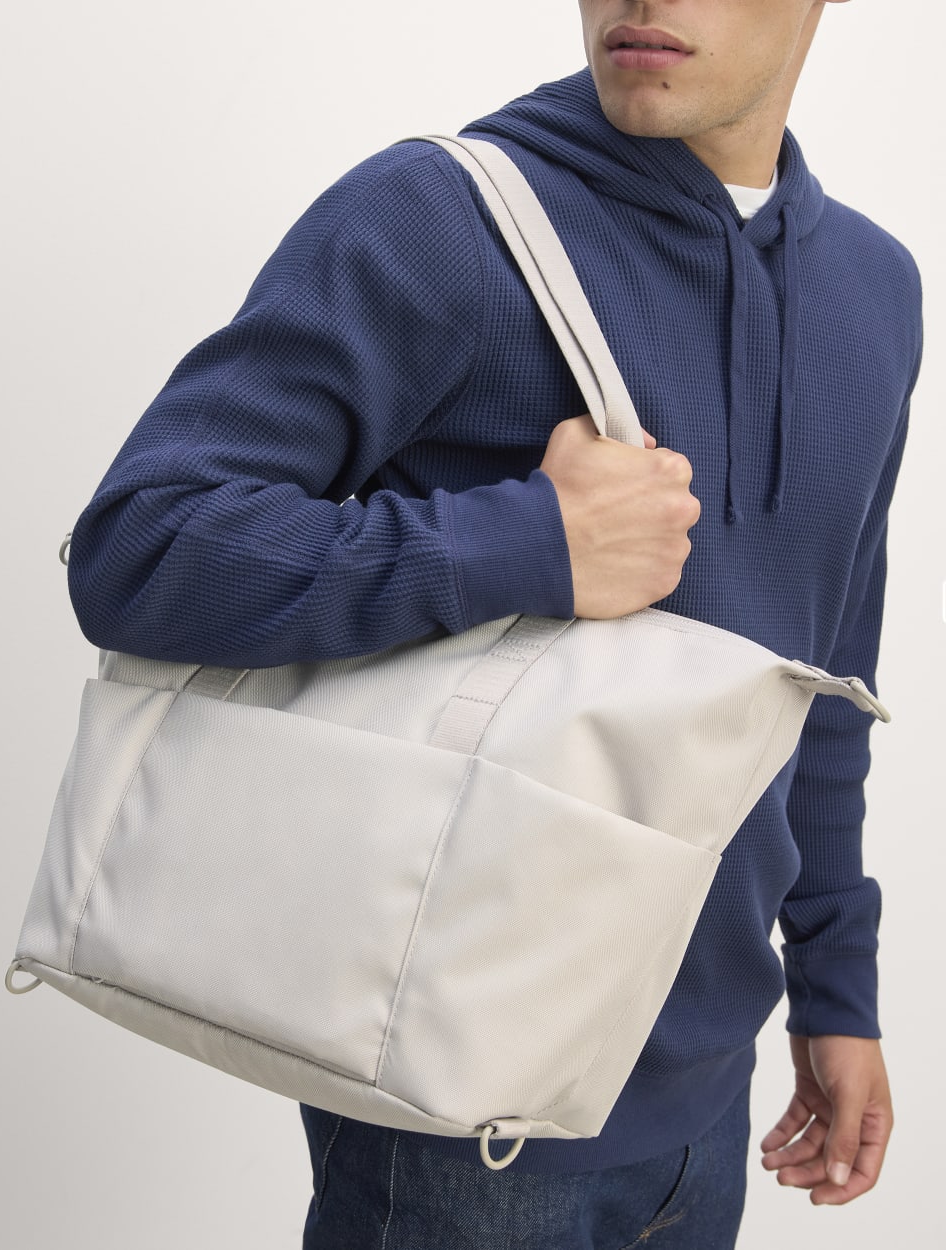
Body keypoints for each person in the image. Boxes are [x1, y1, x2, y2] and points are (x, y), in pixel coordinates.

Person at [65, 2, 922, 1246]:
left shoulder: (876, 290)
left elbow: (827, 666)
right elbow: (140, 547)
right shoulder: (442, 219)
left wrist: (835, 982)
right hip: (449, 1117)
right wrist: (524, 542)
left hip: (707, 1099)